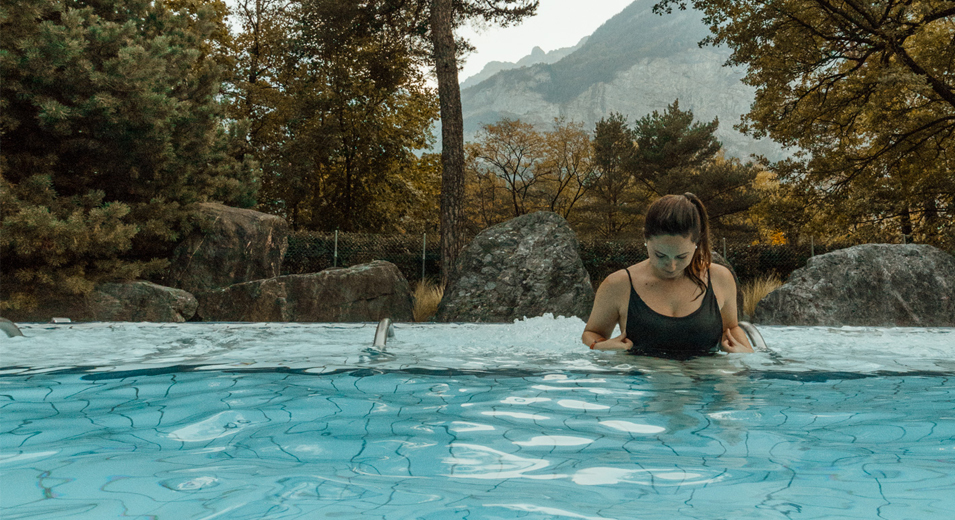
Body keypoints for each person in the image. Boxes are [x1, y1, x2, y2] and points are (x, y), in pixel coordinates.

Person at [582, 193, 753, 359]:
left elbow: (730, 328)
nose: (671, 266)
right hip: (644, 380)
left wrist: (747, 354)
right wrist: (597, 345)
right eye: (660, 255)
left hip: (705, 379)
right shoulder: (618, 284)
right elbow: (592, 333)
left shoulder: (720, 278)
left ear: (697, 242)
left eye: (681, 257)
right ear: (646, 238)